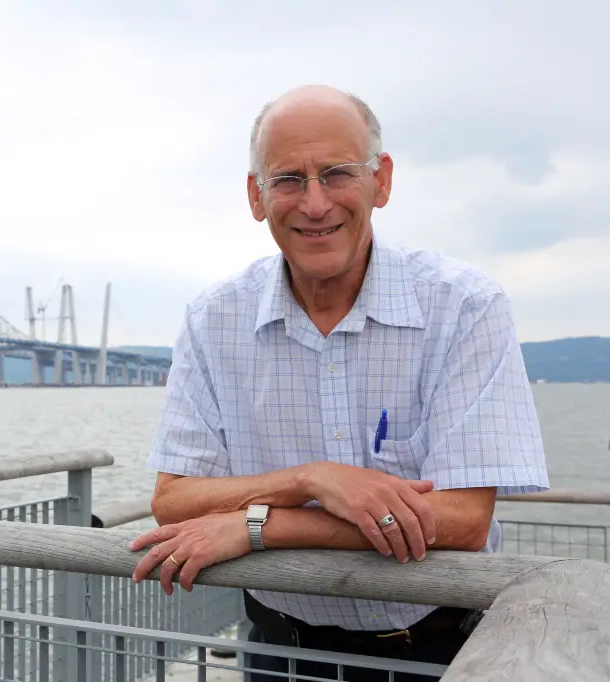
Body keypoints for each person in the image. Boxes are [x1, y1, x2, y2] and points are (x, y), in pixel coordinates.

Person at [128, 85, 549, 681]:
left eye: (337, 174)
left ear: (382, 181)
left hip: (436, 652)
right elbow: (173, 498)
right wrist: (312, 478)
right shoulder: (213, 317)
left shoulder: (464, 306)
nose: (316, 203)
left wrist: (259, 527)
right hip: (279, 654)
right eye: (289, 180)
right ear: (257, 196)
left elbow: (462, 519)